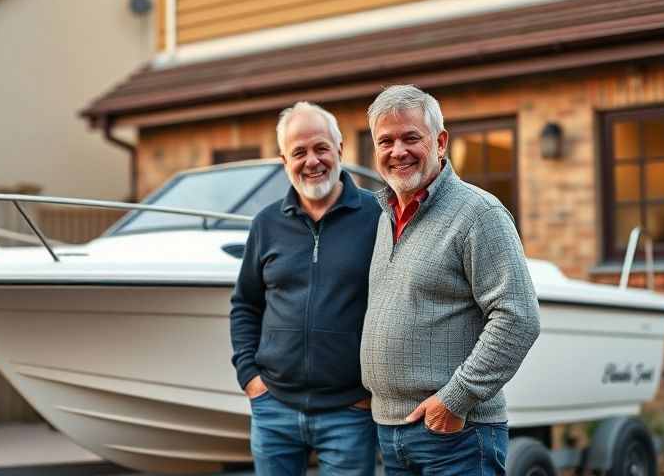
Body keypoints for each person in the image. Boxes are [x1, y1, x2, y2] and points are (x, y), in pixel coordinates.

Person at [360, 85, 540, 475]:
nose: (398, 151)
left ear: (440, 142)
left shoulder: (479, 214)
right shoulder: (384, 216)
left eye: (411, 137)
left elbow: (519, 317)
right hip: (392, 433)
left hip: (456, 435)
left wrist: (455, 400)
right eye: (385, 141)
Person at [230, 102, 381, 476]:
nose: (312, 160)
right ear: (285, 161)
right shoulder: (265, 224)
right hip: (273, 408)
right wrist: (250, 378)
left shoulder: (378, 217)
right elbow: (245, 305)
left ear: (340, 150)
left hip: (350, 412)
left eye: (320, 148)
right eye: (299, 152)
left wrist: (370, 393)